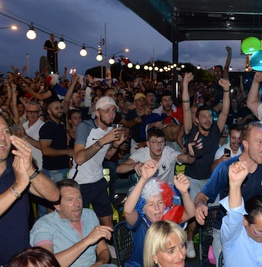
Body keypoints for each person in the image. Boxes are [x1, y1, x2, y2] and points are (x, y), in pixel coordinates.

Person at [194, 122, 262, 264]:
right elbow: (203, 195)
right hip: (230, 232)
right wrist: (200, 205)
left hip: (258, 230)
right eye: (260, 142)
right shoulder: (226, 168)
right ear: (246, 143)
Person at [181, 72, 230, 258]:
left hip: (210, 180)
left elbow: (225, 111)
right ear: (197, 119)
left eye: (210, 116)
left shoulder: (217, 131)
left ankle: (211, 242)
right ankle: (189, 239)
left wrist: (226, 90)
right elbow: (186, 108)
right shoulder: (190, 130)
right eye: (203, 116)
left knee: (216, 212)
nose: (207, 119)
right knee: (194, 213)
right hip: (192, 179)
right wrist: (185, 84)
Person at [0, 115, 60, 265]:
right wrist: (18, 186)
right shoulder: (18, 179)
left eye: (6, 132)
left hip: (19, 260)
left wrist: (30, 170)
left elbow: (54, 195)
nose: (2, 138)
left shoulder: (16, 167)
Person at [123, 160, 195, 267]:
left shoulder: (168, 219)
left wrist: (184, 193)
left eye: (160, 202)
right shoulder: (140, 223)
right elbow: (128, 210)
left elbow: (191, 213)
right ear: (142, 208)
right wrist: (144, 179)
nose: (157, 208)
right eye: (151, 204)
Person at [30, 179, 116, 267]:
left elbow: (103, 249)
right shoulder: (44, 225)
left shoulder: (89, 215)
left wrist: (100, 263)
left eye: (79, 197)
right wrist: (87, 241)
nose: (77, 204)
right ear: (57, 205)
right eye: (70, 200)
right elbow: (45, 264)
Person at [69, 96, 125, 228]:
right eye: (106, 111)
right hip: (80, 183)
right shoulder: (85, 126)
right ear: (97, 113)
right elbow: (79, 158)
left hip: (98, 180)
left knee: (108, 224)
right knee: (79, 225)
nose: (111, 115)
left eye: (113, 111)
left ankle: (110, 248)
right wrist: (104, 140)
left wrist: (116, 145)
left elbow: (108, 156)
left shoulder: (111, 130)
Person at [116, 127, 200, 184]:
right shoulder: (142, 153)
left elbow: (187, 159)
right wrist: (134, 166)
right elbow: (119, 169)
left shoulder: (168, 152)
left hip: (167, 192)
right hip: (147, 192)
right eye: (155, 142)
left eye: (162, 142)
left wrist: (192, 155)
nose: (159, 145)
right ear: (148, 144)